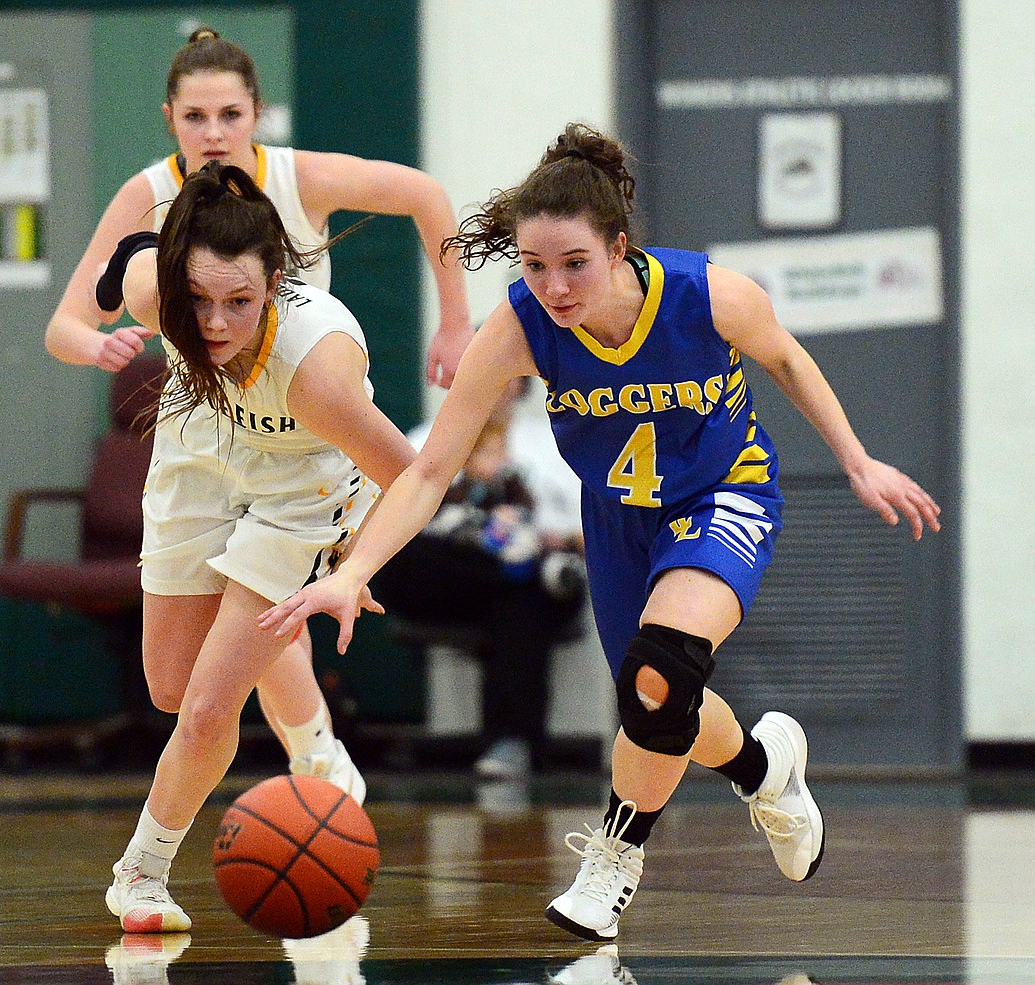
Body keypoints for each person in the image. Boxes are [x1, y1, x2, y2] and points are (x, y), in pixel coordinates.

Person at [259, 123, 942, 942]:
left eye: (574, 263)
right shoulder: (517, 329)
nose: (554, 286)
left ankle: (614, 859)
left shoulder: (708, 296)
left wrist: (857, 460)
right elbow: (431, 470)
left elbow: (788, 359)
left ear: (619, 248)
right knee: (659, 702)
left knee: (663, 668)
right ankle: (766, 770)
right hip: (616, 516)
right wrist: (353, 566)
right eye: (534, 266)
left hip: (725, 492)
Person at [44, 27, 472, 809]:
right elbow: (69, 323)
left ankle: (313, 750)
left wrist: (453, 321)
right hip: (201, 432)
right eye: (195, 116)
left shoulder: (297, 178)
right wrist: (96, 349)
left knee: (254, 603)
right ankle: (313, 740)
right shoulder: (147, 195)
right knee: (174, 686)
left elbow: (426, 195)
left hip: (298, 433)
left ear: (256, 114)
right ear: (169, 116)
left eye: (229, 115)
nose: (213, 134)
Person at [98, 160, 415, 933]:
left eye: (239, 301)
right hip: (200, 450)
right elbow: (125, 266)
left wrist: (354, 568)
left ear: (275, 281)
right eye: (198, 299)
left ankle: (139, 872)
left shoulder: (317, 371)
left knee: (209, 705)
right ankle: (311, 732)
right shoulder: (160, 294)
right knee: (173, 686)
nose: (214, 322)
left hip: (301, 490)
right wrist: (102, 292)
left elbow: (414, 474)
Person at [373, 378, 587, 778]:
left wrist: (548, 538)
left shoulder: (561, 443)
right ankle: (514, 566)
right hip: (453, 574)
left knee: (524, 594)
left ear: (523, 383)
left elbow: (595, 531)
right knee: (413, 550)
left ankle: (514, 741)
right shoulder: (426, 438)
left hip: (548, 576)